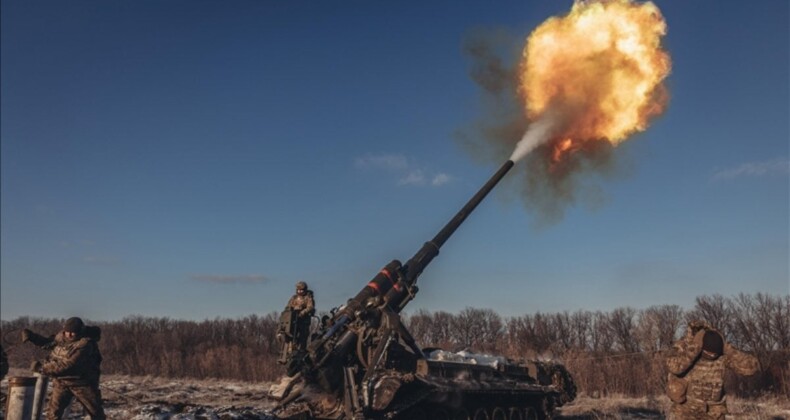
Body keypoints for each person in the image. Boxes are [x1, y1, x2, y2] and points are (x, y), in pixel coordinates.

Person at [665, 321, 759, 420]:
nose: (711, 356)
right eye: (707, 354)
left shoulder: (722, 355)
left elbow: (751, 367)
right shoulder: (685, 348)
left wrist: (729, 350)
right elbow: (674, 367)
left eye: (714, 354)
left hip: (714, 412)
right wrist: (694, 348)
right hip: (685, 410)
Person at [22, 317, 106, 420]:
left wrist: (41, 368)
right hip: (62, 382)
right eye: (67, 332)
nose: (69, 335)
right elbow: (48, 343)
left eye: (72, 333)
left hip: (83, 383)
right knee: (53, 415)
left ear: (80, 331)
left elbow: (68, 365)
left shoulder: (85, 344)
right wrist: (32, 337)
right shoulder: (61, 337)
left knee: (96, 415)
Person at [284, 281, 315, 352]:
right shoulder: (294, 298)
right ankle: (290, 349)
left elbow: (310, 307)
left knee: (303, 336)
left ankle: (301, 350)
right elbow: (288, 306)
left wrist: (303, 312)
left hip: (303, 320)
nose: (300, 291)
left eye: (301, 290)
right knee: (290, 334)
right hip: (294, 320)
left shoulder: (308, 297)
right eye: (298, 290)